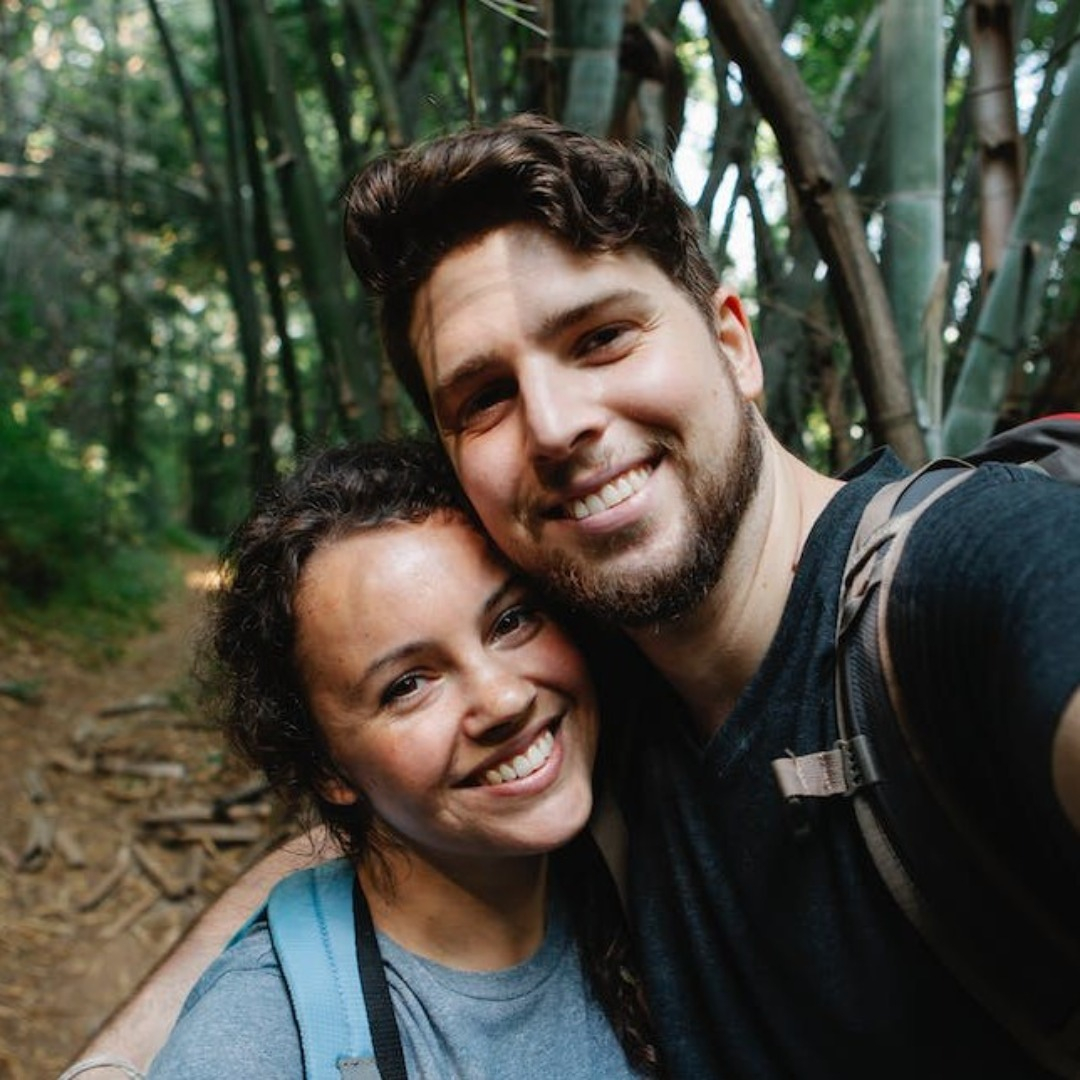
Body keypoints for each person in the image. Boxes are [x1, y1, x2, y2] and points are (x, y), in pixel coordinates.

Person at [64, 114, 1080, 1079]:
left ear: (733, 343)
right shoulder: (601, 682)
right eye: (485, 396)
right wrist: (128, 1051)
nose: (555, 425)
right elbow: (379, 822)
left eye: (599, 338)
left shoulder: (967, 581)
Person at [140, 438, 659, 1079]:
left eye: (511, 620)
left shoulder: (652, 878)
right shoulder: (255, 1042)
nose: (502, 698)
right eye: (407, 685)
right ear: (327, 767)